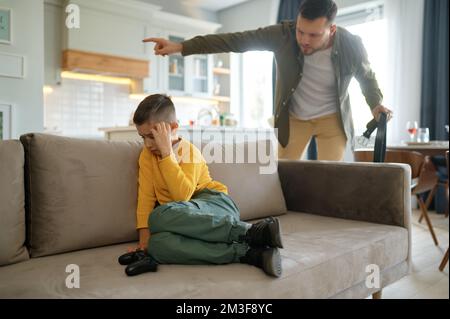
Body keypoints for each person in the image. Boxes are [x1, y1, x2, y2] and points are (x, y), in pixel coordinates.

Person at [143, 0, 393, 161]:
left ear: (332, 30)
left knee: (329, 178)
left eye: (313, 35)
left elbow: (367, 78)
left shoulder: (351, 45)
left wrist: (375, 104)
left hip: (332, 119)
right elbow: (234, 40)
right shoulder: (282, 35)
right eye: (300, 31)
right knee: (284, 176)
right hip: (295, 118)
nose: (304, 40)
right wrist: (181, 47)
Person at [118, 94, 284, 277]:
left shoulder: (188, 151)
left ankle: (250, 231)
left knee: (157, 217)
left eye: (152, 136)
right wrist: (144, 244)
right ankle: (249, 253)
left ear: (173, 128)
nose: (148, 144)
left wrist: (167, 153)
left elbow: (182, 196)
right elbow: (146, 198)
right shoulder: (147, 156)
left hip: (216, 204)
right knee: (158, 244)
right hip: (187, 219)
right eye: (143, 138)